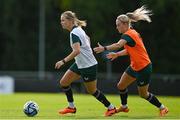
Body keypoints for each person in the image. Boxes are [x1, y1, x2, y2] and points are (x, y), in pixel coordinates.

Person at [93, 6, 168, 117]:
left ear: (124, 24)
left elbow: (118, 45)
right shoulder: (131, 33)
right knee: (121, 85)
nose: (117, 27)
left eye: (118, 25)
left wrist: (104, 48)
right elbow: (128, 50)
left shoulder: (129, 34)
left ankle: (163, 108)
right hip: (134, 66)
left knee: (143, 94)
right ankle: (124, 107)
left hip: (144, 67)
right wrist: (117, 54)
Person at [55, 11, 116, 116]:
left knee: (92, 91)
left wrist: (63, 61)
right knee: (64, 82)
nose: (61, 22)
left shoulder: (74, 33)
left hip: (88, 66)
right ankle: (71, 107)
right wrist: (87, 49)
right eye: (61, 20)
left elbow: (77, 51)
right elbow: (88, 38)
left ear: (70, 21)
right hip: (80, 63)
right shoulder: (79, 29)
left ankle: (111, 108)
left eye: (63, 20)